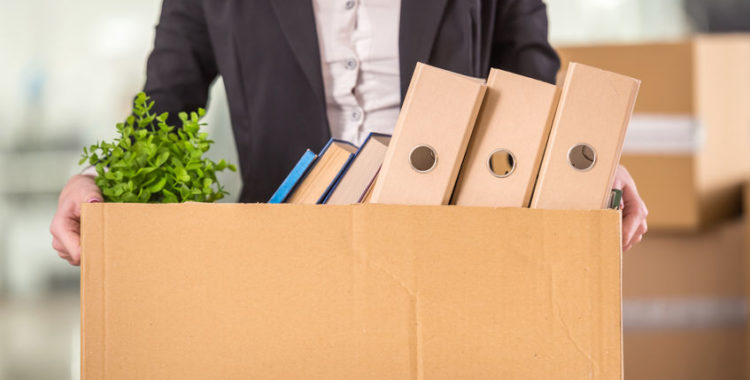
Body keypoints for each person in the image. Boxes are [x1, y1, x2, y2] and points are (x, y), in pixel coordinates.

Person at [50, 0, 648, 266]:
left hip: (454, 253)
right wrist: (103, 179)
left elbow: (531, 81)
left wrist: (595, 171)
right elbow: (167, 99)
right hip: (279, 262)